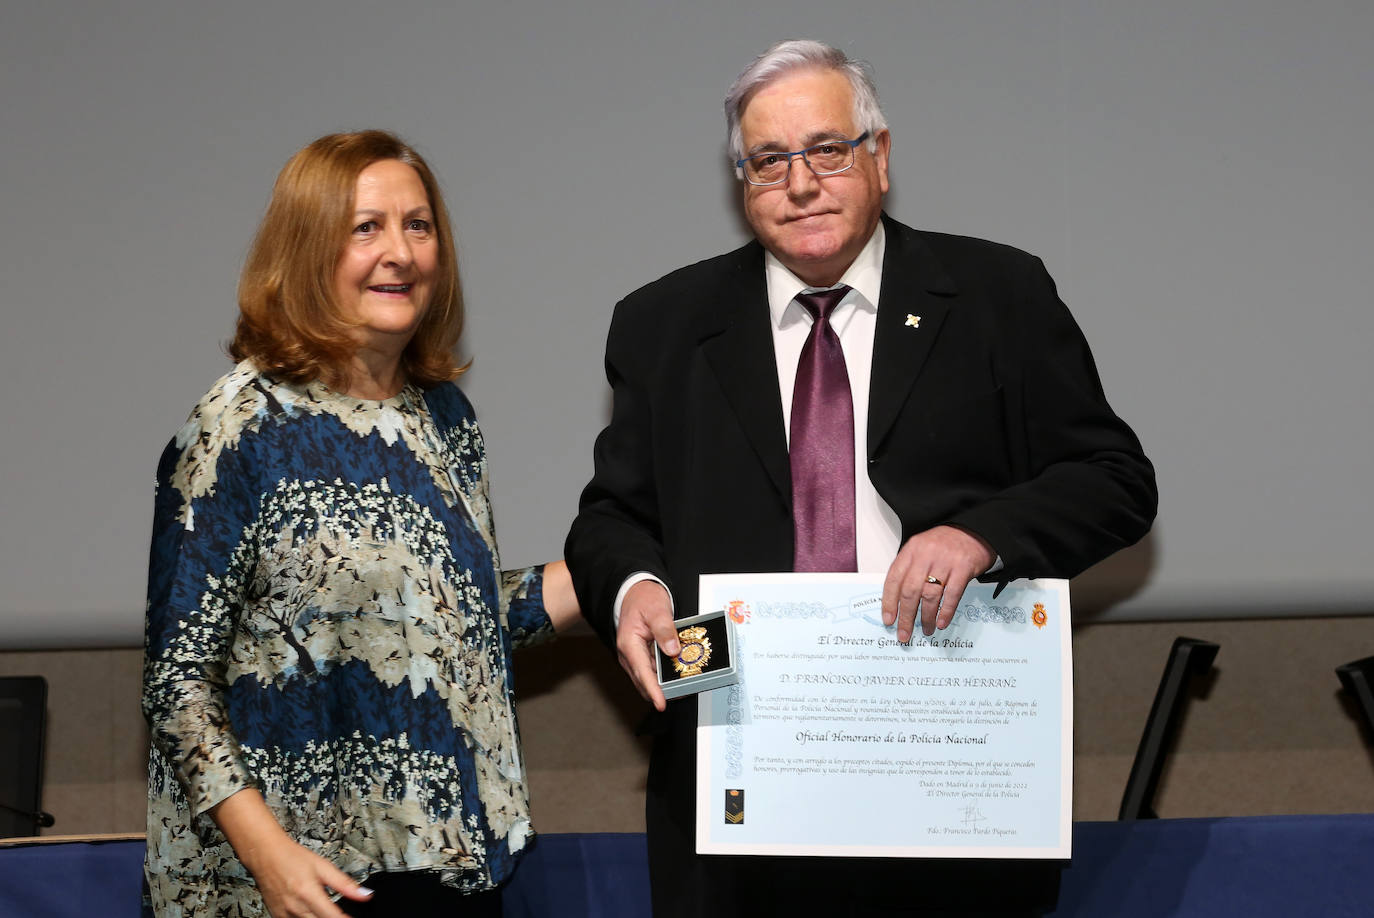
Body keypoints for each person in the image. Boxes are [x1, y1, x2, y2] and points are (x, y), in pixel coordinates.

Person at [565, 40, 1157, 917]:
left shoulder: (998, 294)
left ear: (879, 157)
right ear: (742, 180)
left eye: (827, 150)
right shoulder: (662, 324)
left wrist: (981, 533)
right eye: (770, 160)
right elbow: (612, 517)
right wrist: (635, 589)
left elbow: (1114, 479)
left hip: (944, 767)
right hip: (733, 765)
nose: (801, 182)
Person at [142, 130, 580, 918]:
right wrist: (268, 856)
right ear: (309, 251)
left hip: (436, 867)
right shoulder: (238, 428)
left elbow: (447, 622)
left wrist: (612, 572)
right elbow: (178, 686)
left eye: (419, 225)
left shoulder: (444, 419)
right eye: (365, 228)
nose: (401, 253)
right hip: (288, 882)